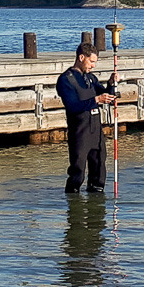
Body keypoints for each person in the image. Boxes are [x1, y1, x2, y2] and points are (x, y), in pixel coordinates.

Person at [55, 43, 117, 194]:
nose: (93, 66)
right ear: (81, 57)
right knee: (78, 173)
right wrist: (96, 100)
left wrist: (111, 84)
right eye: (91, 62)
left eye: (95, 62)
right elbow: (73, 106)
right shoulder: (66, 80)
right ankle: (73, 203)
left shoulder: (90, 78)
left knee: (99, 172)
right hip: (79, 132)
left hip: (96, 131)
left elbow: (105, 95)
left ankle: (97, 203)